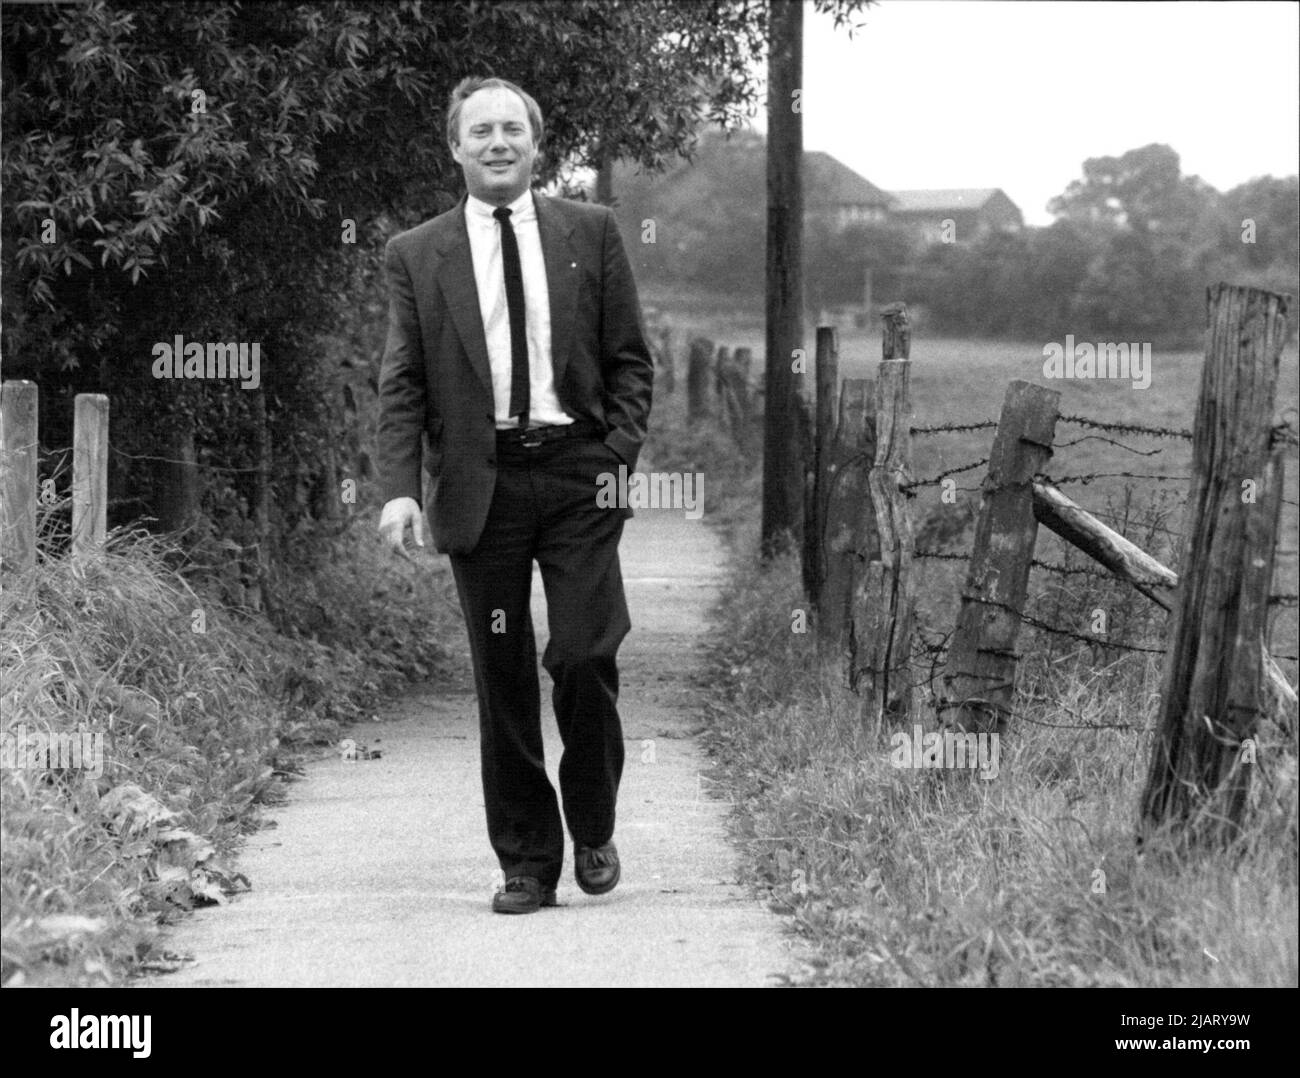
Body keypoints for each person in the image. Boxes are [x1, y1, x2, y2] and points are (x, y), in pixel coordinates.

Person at [376, 76, 654, 914]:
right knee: (502, 677)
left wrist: (617, 454)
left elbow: (631, 362)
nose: (498, 143)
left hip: (577, 475)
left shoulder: (591, 233)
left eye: (513, 130)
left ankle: (594, 819)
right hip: (478, 486)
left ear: (537, 144)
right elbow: (403, 384)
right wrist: (398, 490)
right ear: (455, 148)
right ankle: (527, 861)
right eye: (480, 131)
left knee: (583, 653)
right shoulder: (416, 253)